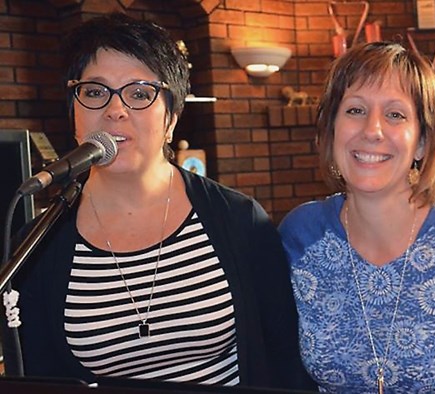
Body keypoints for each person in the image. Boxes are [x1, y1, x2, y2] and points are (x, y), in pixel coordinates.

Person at [1, 13, 313, 390]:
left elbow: (283, 359)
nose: (115, 110)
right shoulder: (40, 243)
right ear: (74, 112)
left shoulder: (238, 220)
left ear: (172, 118)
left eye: (139, 93)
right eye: (95, 92)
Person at [278, 41, 435, 392]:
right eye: (355, 110)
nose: (372, 130)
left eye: (395, 114)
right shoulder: (300, 235)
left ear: (423, 142)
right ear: (332, 129)